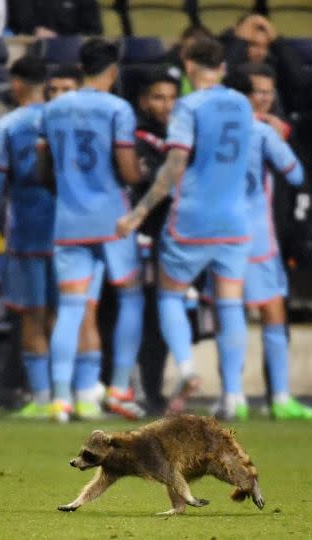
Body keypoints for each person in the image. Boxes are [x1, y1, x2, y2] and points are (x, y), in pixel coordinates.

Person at [116, 37, 252, 418]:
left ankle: (188, 370)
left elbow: (174, 165)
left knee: (170, 296)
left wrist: (139, 212)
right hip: (235, 221)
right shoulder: (242, 104)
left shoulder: (188, 106)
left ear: (189, 68)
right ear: (222, 67)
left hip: (193, 218)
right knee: (229, 303)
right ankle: (234, 396)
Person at [38, 38, 144, 423]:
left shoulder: (53, 109)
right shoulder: (118, 108)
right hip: (112, 218)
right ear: (113, 71)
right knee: (131, 297)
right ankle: (118, 387)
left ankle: (61, 398)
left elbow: (42, 169)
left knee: (69, 308)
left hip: (68, 219)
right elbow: (129, 168)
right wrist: (142, 174)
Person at [219, 68, 312, 421]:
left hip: (216, 233)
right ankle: (279, 397)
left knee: (230, 311)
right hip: (256, 235)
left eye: (268, 92)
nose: (263, 99)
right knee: (271, 311)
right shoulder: (262, 131)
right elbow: (296, 174)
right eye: (256, 92)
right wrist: (279, 137)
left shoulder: (212, 128)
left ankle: (233, 397)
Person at [0, 56, 54, 419]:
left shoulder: (9, 124)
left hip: (27, 231)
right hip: (68, 232)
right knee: (68, 314)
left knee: (32, 315)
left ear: (17, 84)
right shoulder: (61, 119)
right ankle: (68, 393)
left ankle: (42, 397)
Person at [129, 68, 177, 414]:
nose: (167, 105)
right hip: (141, 236)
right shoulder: (137, 138)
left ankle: (154, 390)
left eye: (173, 97)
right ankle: (133, 389)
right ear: (144, 101)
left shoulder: (182, 135)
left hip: (173, 238)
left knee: (162, 319)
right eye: (159, 97)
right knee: (138, 315)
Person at [7, 0, 102, 37]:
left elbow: (94, 30)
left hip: (72, 51)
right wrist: (33, 31)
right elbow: (18, 22)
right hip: (29, 48)